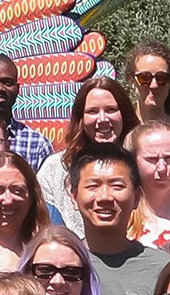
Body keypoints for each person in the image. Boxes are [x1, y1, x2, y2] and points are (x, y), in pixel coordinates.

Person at [69, 148, 164, 295]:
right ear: (74, 197)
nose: (104, 197)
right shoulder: (57, 267)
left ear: (137, 197)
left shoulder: (163, 269)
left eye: (117, 186)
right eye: (93, 186)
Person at [37, 73, 136, 225]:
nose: (102, 119)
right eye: (92, 111)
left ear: (124, 114)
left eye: (110, 110)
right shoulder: (55, 168)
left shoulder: (143, 163)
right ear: (80, 119)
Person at [130, 117, 170, 250]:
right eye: (152, 159)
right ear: (133, 161)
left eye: (169, 158)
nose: (162, 168)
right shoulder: (122, 215)